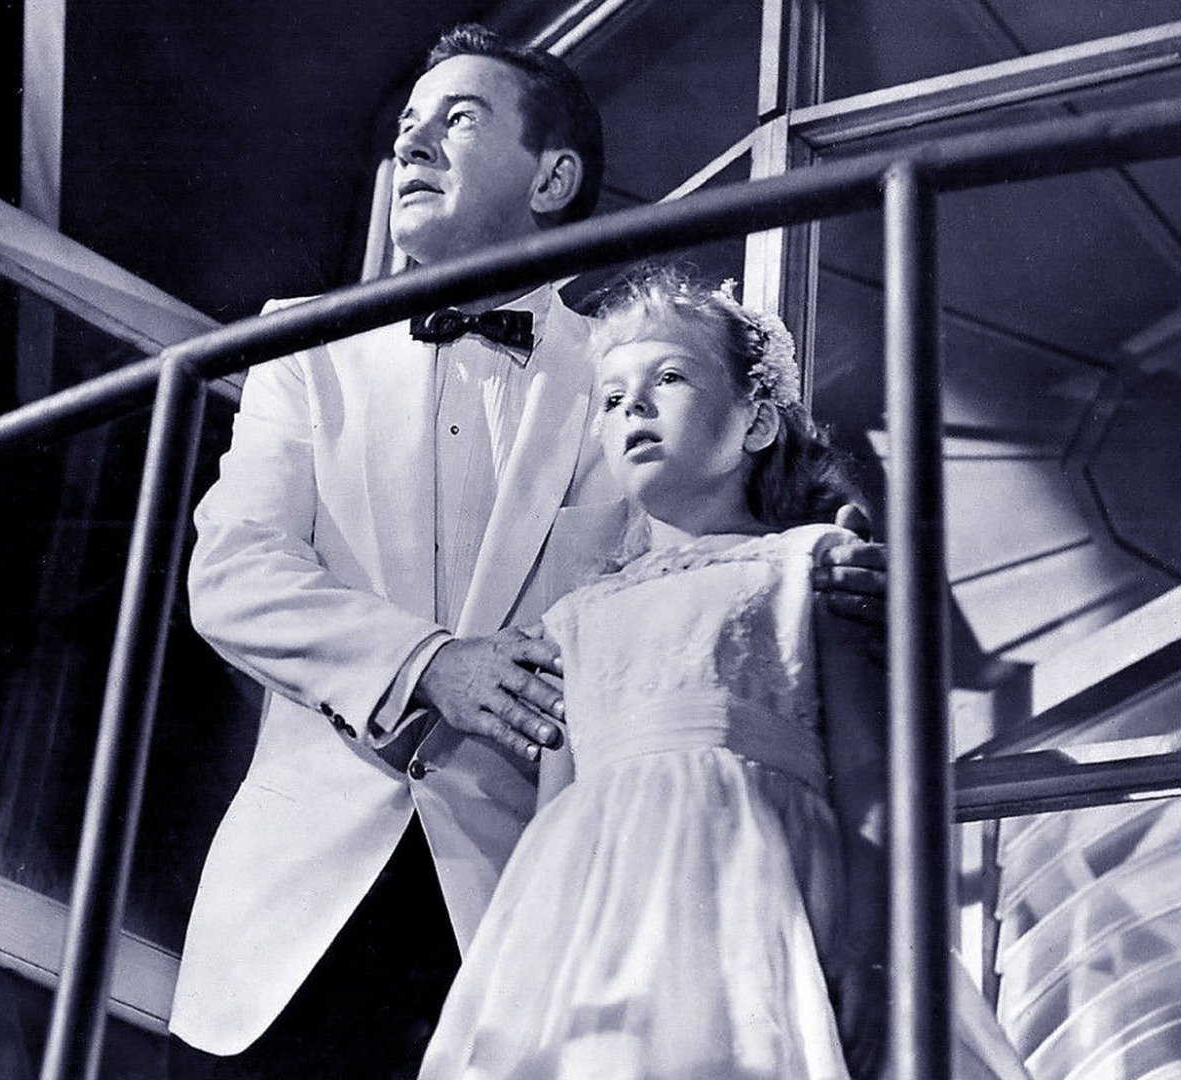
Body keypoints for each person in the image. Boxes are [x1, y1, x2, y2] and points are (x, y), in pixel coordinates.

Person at [170, 25, 886, 1079]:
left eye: (458, 120)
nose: (413, 145)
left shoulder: (625, 379)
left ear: (553, 178)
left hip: (524, 921)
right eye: (408, 126)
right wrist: (427, 664)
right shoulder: (302, 343)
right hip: (287, 923)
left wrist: (814, 572)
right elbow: (234, 571)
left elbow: (691, 572)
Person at [417, 265, 1026, 1079]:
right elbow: (557, 815)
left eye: (668, 379)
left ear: (757, 422)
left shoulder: (809, 567)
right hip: (609, 948)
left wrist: (868, 954)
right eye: (611, 397)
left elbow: (872, 781)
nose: (633, 407)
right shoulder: (574, 619)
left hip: (761, 911)